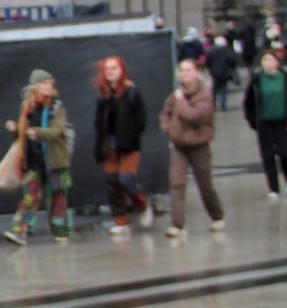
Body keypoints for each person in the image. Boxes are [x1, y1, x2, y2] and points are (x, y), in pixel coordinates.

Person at [2, 69, 71, 245]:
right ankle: (19, 231)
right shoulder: (28, 108)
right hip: (34, 161)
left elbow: (57, 131)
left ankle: (61, 232)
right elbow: (25, 133)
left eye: (50, 83)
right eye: (44, 83)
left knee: (58, 197)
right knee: (29, 197)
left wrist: (37, 133)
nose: (49, 87)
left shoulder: (57, 107)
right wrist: (16, 129)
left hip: (55, 161)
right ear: (35, 87)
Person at [160, 58, 226, 237]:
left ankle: (217, 215)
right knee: (177, 183)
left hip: (199, 146)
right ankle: (177, 224)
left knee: (205, 184)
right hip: (179, 146)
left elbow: (195, 116)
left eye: (188, 70)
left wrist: (180, 102)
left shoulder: (204, 94)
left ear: (196, 73)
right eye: (182, 70)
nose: (185, 74)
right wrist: (168, 128)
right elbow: (165, 112)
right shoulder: (175, 94)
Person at [93, 54, 152, 237]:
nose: (110, 72)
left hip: (128, 144)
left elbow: (141, 120)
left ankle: (142, 205)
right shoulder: (103, 95)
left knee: (126, 179)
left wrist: (131, 136)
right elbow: (98, 123)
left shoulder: (131, 91)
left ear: (121, 71)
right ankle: (120, 220)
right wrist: (99, 145)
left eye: (114, 68)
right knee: (111, 182)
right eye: (107, 69)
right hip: (109, 145)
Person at [243, 49, 287, 199]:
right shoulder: (257, 79)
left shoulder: (285, 78)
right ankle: (273, 188)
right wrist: (252, 120)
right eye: (265, 60)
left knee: (285, 153)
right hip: (264, 123)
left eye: (271, 60)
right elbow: (248, 102)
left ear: (277, 62)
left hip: (282, 122)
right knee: (268, 155)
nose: (268, 63)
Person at [206, 35, 238, 111]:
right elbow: (232, 59)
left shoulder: (212, 50)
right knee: (223, 88)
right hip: (224, 71)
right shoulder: (226, 50)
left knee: (214, 89)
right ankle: (223, 104)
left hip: (214, 72)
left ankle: (213, 104)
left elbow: (208, 60)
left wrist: (210, 67)